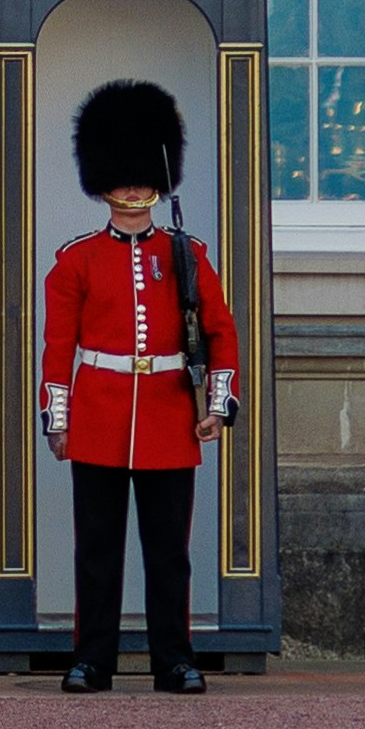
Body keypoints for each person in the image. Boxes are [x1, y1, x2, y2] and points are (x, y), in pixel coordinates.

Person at [36, 75, 238, 695]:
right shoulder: (77, 260)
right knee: (97, 551)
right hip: (99, 413)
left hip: (168, 417)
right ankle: (92, 659)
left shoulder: (188, 253)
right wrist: (58, 416)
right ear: (102, 179)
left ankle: (173, 659)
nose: (131, 185)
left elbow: (222, 331)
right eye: (120, 173)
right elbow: (59, 347)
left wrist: (217, 402)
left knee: (168, 554)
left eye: (140, 172)